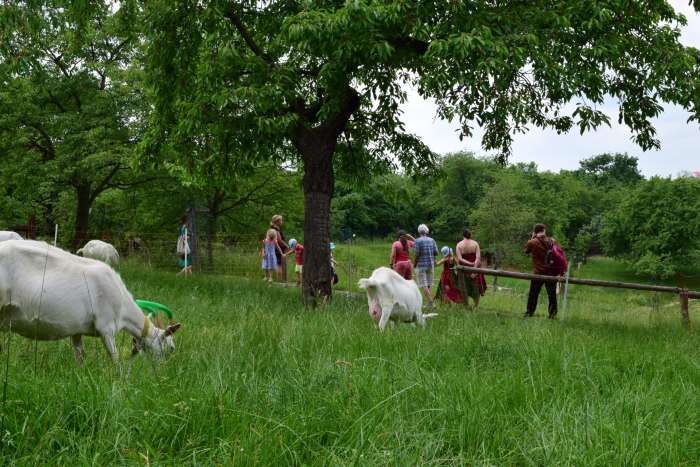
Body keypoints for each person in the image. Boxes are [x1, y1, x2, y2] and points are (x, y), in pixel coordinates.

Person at [524, 223, 558, 318]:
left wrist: (531, 238)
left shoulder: (532, 242)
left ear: (535, 231)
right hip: (551, 272)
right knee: (552, 295)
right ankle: (552, 314)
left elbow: (526, 251)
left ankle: (529, 312)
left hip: (538, 272)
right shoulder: (552, 241)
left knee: (533, 293)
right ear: (544, 230)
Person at [456, 229, 487, 308]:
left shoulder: (459, 245)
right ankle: (476, 306)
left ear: (463, 235)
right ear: (470, 235)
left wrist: (468, 263)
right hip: (475, 267)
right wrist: (474, 269)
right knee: (476, 287)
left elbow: (460, 259)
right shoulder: (475, 243)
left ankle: (465, 305)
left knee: (464, 286)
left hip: (464, 269)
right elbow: (478, 257)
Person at [413, 224, 438, 308]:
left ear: (419, 231)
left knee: (424, 284)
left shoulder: (417, 241)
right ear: (426, 231)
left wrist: (414, 264)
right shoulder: (432, 240)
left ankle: (430, 303)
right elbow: (436, 253)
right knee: (428, 283)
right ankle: (428, 302)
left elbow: (417, 254)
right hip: (430, 264)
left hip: (421, 265)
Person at [270, 215, 289, 282]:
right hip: (279, 248)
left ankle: (279, 279)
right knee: (279, 264)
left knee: (278, 263)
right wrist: (287, 246)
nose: (282, 221)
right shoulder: (276, 229)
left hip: (275, 247)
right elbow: (279, 240)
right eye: (281, 220)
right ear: (277, 221)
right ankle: (280, 280)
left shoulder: (272, 228)